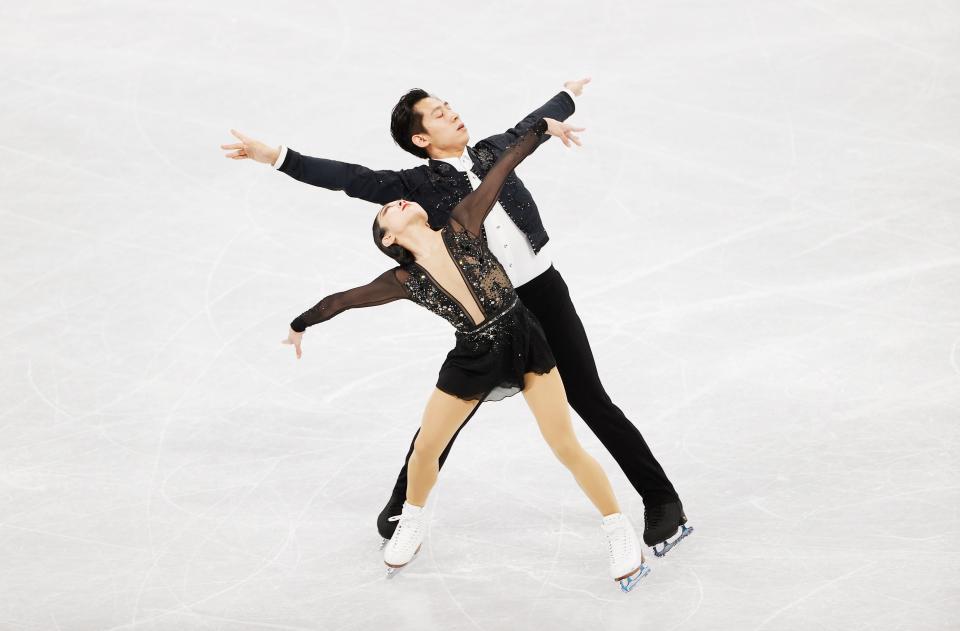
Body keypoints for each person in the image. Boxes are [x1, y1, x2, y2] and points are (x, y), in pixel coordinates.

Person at [221, 78, 692, 557]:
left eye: (450, 106)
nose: (454, 114)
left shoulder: (491, 151)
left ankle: (660, 498)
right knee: (448, 415)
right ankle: (405, 502)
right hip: (483, 310)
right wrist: (275, 156)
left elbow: (532, 126)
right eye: (440, 114)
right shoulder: (415, 187)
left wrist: (566, 95)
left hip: (543, 293)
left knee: (589, 398)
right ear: (421, 139)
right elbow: (348, 176)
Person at [281, 118, 649, 592]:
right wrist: (299, 324)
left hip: (524, 339)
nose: (396, 202)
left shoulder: (463, 224)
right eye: (386, 212)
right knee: (426, 449)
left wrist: (542, 132)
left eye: (399, 201)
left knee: (564, 444)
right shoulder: (402, 280)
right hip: (473, 357)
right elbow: (340, 300)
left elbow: (502, 166)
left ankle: (618, 530)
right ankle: (411, 519)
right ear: (388, 240)